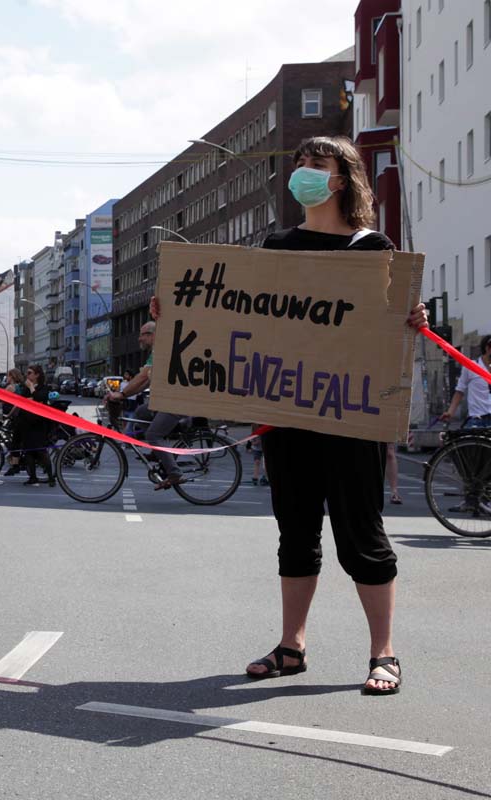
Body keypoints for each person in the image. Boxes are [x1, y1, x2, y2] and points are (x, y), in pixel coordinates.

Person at [154, 136, 428, 695]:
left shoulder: (373, 247)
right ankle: (291, 647)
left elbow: (387, 330)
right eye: (300, 162)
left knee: (361, 533)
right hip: (287, 415)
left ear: (343, 179)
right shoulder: (276, 247)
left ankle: (384, 653)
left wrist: (411, 317)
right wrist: (178, 308)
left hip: (351, 417)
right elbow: (242, 319)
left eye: (317, 163)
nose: (303, 170)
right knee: (295, 531)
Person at [105, 321, 184, 489]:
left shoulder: (161, 350)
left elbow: (140, 378)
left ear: (153, 335)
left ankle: (174, 473)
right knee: (141, 412)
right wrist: (124, 395)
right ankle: (158, 452)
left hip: (174, 401)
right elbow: (145, 381)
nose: (139, 338)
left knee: (153, 436)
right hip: (162, 401)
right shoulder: (155, 353)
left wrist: (122, 394)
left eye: (143, 334)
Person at [440, 334, 491, 430]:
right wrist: (450, 412)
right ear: (488, 348)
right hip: (477, 419)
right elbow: (459, 391)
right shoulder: (471, 367)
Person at [19, 364, 55, 486]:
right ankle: (32, 477)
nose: (27, 375)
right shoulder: (25, 387)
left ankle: (51, 477)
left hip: (38, 424)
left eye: (29, 373)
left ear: (37, 375)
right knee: (28, 451)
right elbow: (23, 400)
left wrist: (32, 390)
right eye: (27, 373)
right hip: (27, 422)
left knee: (41, 451)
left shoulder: (43, 387)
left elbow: (41, 398)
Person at [1, 368, 29, 476]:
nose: (6, 378)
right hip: (18, 416)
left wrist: (8, 415)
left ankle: (15, 463)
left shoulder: (10, 387)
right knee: (16, 439)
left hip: (14, 416)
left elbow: (1, 400)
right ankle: (15, 461)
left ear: (12, 377)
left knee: (15, 441)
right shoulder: (20, 387)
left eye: (8, 376)